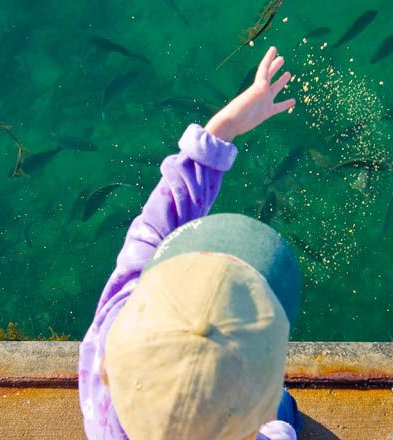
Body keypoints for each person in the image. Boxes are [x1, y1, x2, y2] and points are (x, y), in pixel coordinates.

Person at [79, 46, 303, 439]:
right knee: (286, 408)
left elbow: (151, 229)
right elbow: (154, 229)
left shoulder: (113, 328)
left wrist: (220, 132)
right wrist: (279, 426)